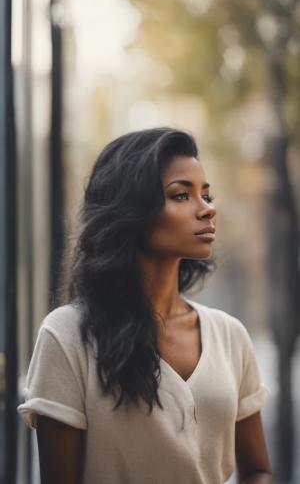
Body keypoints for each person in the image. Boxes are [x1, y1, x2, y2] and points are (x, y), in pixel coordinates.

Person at [18, 127, 272, 484]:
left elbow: (258, 470)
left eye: (207, 195)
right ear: (132, 210)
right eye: (182, 195)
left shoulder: (230, 335)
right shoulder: (66, 336)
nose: (208, 210)